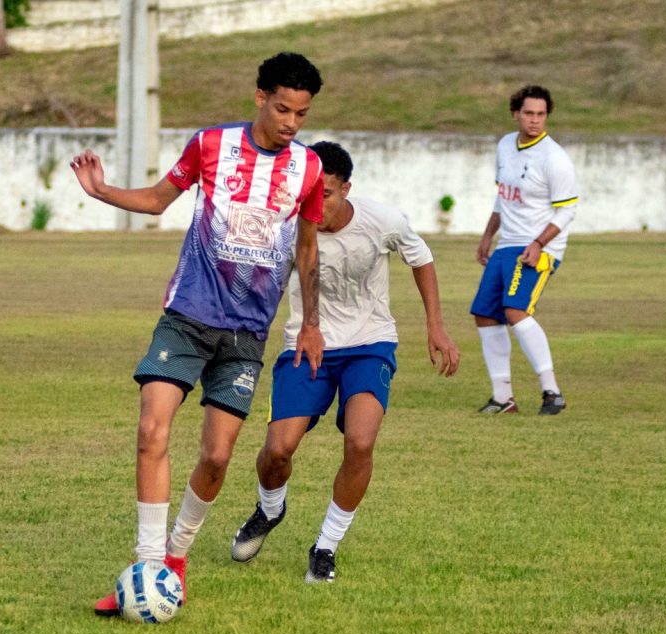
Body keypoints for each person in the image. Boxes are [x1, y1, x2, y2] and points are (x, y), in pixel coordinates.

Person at [69, 52, 326, 615]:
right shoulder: (211, 144)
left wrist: (310, 322)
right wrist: (103, 191)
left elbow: (307, 249)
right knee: (151, 431)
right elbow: (160, 200)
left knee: (215, 459)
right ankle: (147, 566)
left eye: (302, 114)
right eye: (282, 108)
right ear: (259, 97)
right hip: (186, 315)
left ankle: (176, 556)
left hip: (246, 335)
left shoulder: (307, 169)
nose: (290, 122)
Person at [229, 141, 460, 583]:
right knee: (278, 449)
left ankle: (325, 546)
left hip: (369, 342)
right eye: (309, 193)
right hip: (305, 343)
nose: (315, 205)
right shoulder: (289, 225)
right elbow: (269, 284)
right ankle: (270, 509)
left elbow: (422, 258)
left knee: (360, 441)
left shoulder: (382, 220)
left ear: (347, 189)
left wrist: (436, 324)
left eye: (327, 195)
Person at [470, 84, 578, 415]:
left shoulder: (554, 158)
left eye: (541, 114)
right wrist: (488, 235)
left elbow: (568, 210)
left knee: (516, 310)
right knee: (486, 314)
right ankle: (503, 398)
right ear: (516, 114)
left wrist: (538, 243)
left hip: (539, 247)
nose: (534, 120)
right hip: (507, 244)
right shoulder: (505, 145)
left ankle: (552, 393)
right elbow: (503, 196)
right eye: (528, 113)